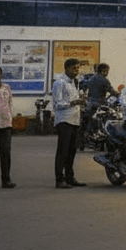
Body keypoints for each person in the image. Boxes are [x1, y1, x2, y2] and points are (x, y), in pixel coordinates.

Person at [52, 58, 87, 188]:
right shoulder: (59, 83)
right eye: (74, 68)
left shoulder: (75, 83)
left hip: (74, 120)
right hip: (64, 120)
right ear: (66, 69)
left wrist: (81, 101)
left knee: (72, 151)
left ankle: (70, 177)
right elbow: (57, 104)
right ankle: (59, 179)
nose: (76, 71)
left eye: (78, 68)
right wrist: (74, 102)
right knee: (63, 151)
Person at [0, 65, 15, 188]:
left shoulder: (7, 88)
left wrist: (10, 120)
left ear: (1, 75)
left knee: (5, 154)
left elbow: (10, 103)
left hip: (5, 127)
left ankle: (6, 180)